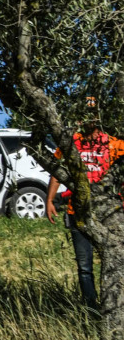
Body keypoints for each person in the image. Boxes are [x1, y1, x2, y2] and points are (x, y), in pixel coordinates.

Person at [52, 96, 124, 308]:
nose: (87, 119)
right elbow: (56, 171)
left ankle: (114, 305)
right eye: (83, 115)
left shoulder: (114, 144)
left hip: (108, 212)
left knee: (114, 262)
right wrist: (49, 200)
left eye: (91, 114)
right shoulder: (71, 143)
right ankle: (90, 308)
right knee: (84, 267)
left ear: (98, 116)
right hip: (78, 211)